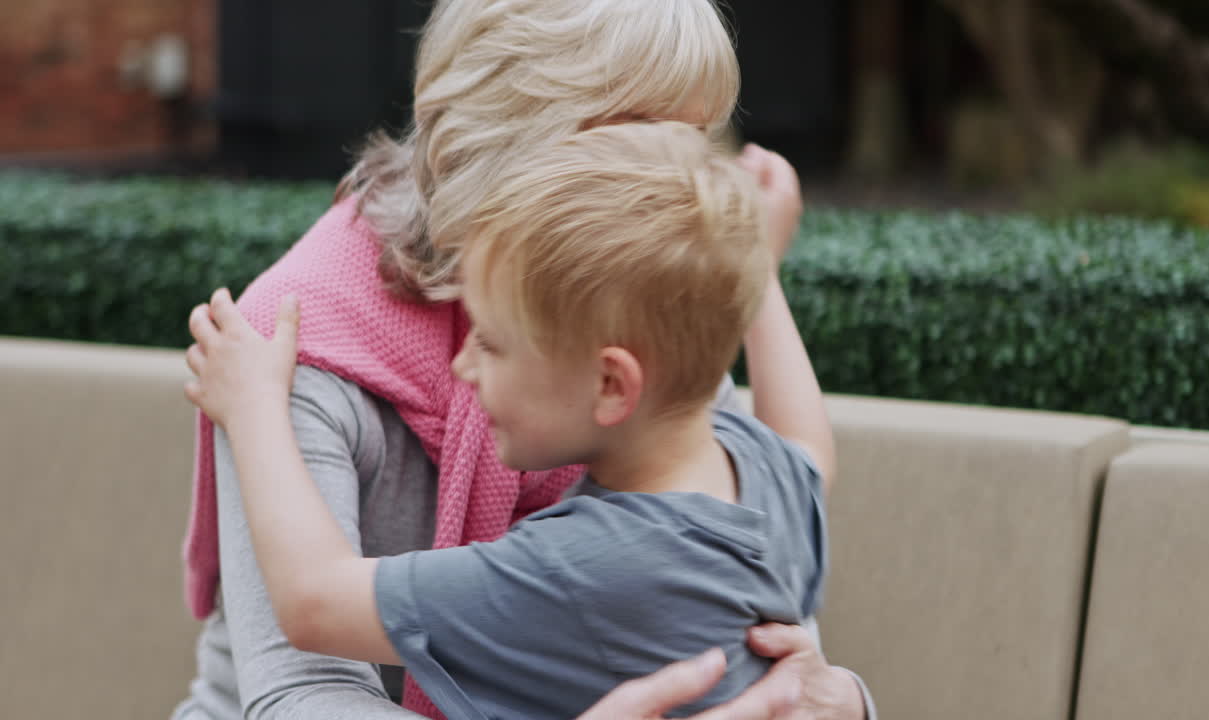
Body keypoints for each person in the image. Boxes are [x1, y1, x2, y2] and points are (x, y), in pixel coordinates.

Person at [170, 1, 872, 717]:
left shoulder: (628, 304)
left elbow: (753, 628)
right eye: (641, 138)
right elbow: (301, 691)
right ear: (508, 127)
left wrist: (835, 700)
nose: (676, 178)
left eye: (694, 138)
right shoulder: (291, 339)